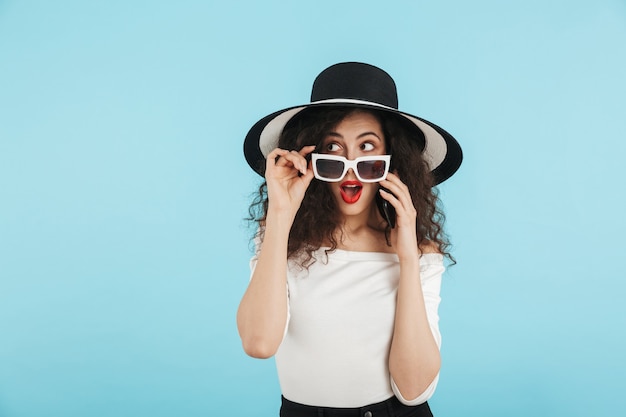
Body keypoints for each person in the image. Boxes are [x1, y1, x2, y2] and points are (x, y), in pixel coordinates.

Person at [237, 62, 462, 417]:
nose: (352, 167)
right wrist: (281, 215)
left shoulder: (416, 252)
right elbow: (259, 343)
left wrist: (407, 257)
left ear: (393, 159)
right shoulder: (283, 239)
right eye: (334, 149)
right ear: (311, 157)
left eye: (368, 147)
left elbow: (415, 389)